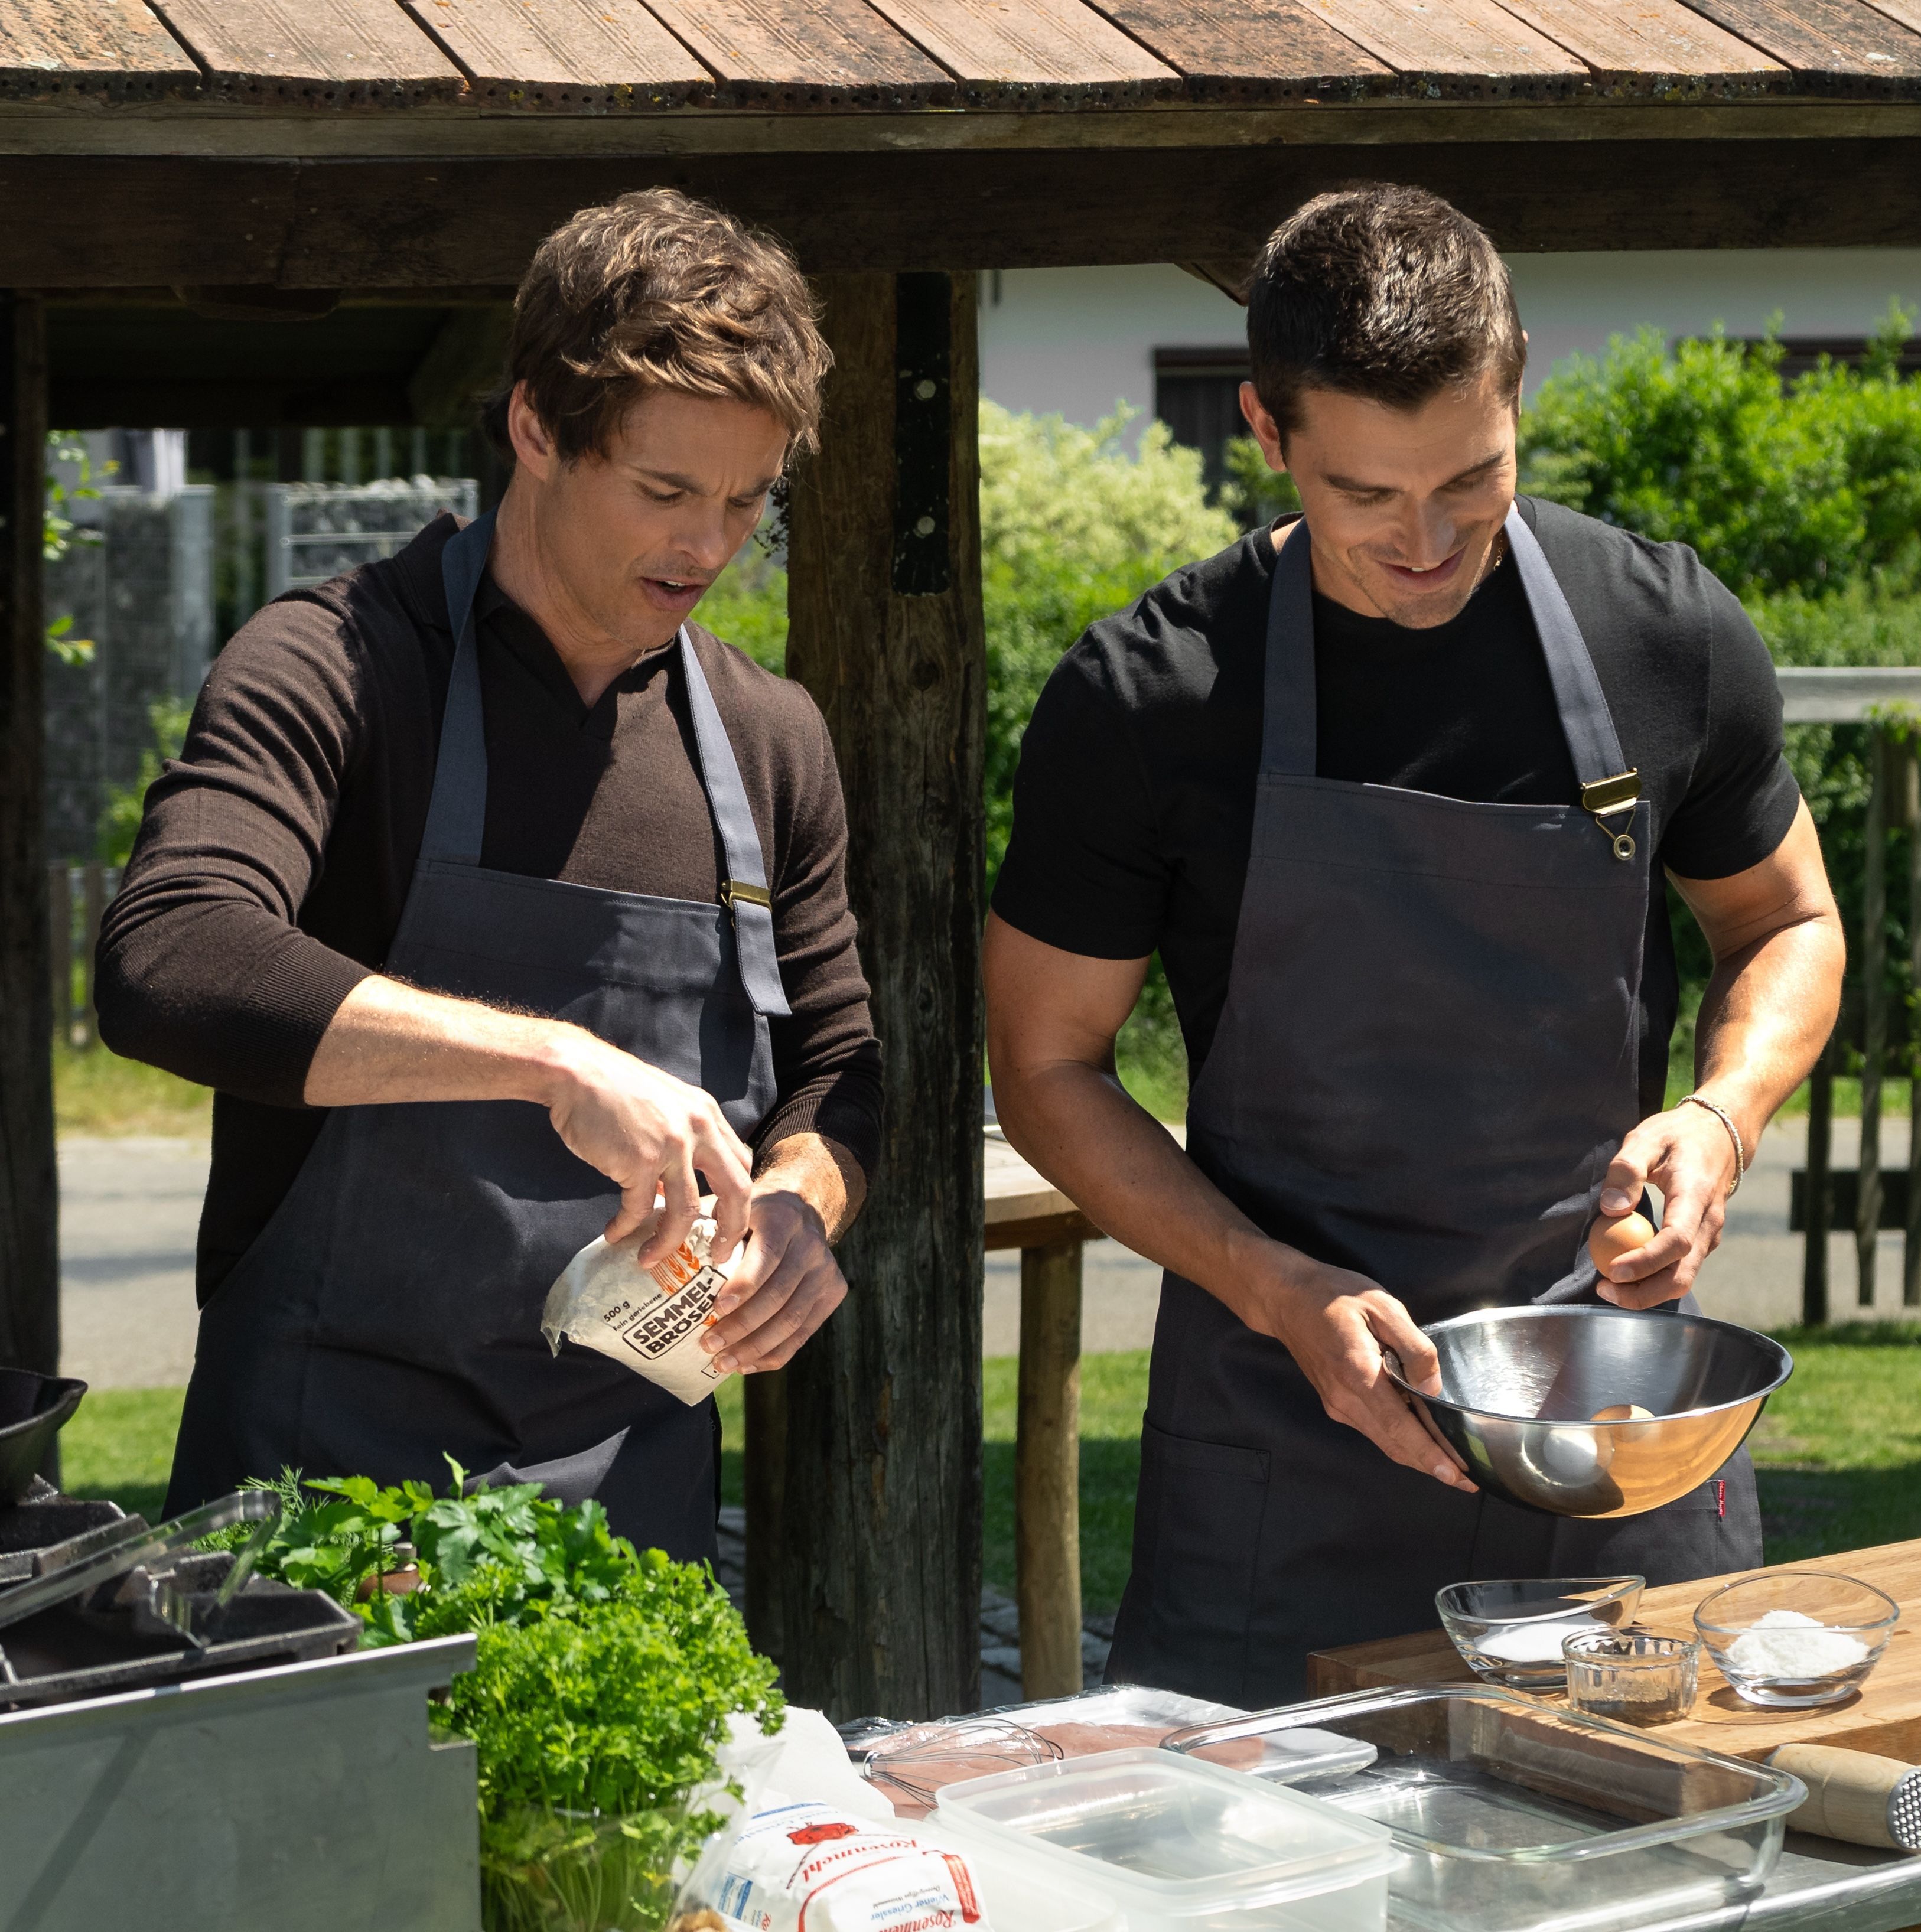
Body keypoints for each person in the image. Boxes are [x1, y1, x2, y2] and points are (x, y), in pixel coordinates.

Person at [984, 183, 1845, 1705]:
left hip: (1618, 1441)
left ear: (1519, 384)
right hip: (1281, 1452)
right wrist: (1270, 1285)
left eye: (1474, 479)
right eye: (1367, 495)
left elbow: (1784, 920)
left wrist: (1722, 1114)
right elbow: (1047, 1066)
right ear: (1263, 427)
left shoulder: (1663, 632)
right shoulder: (1151, 697)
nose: (1428, 542)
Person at [99, 190, 881, 1564]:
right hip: (322, 1508)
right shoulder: (335, 664)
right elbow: (170, 959)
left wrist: (800, 1208)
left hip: (631, 1510)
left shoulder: (769, 740)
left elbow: (837, 1062)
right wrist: (555, 1065)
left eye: (747, 501)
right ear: (535, 427)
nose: (707, 546)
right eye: (663, 491)